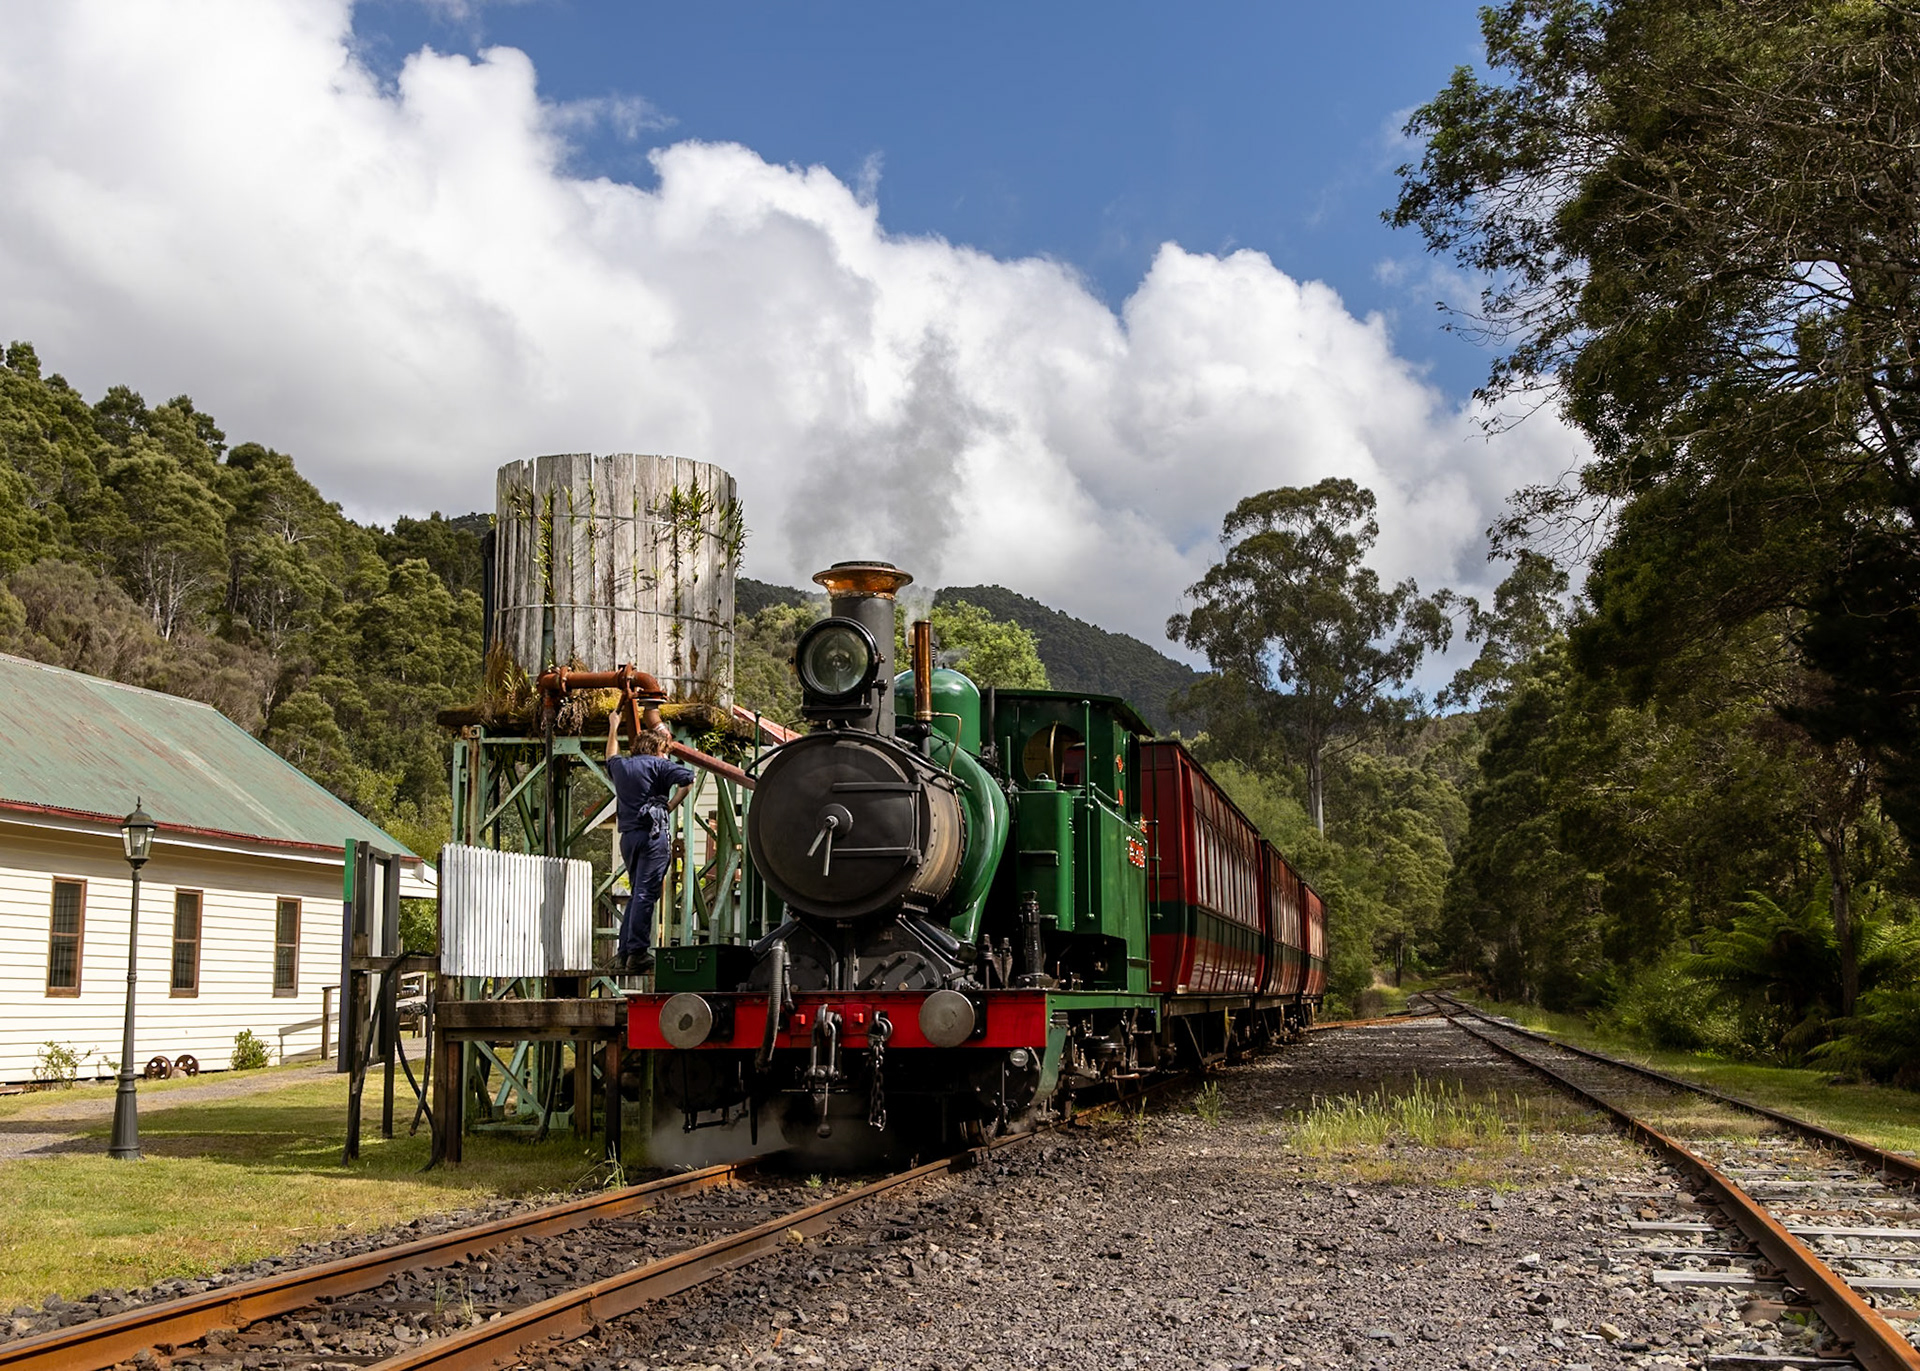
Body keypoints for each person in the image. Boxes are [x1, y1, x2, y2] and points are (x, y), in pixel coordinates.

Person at [604, 716, 693, 975]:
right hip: (653, 836)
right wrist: (670, 805)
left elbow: (611, 755)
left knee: (637, 894)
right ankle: (638, 953)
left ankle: (624, 952)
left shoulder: (622, 767)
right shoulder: (659, 765)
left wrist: (613, 727)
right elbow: (688, 779)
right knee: (646, 894)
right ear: (657, 750)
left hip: (628, 837)